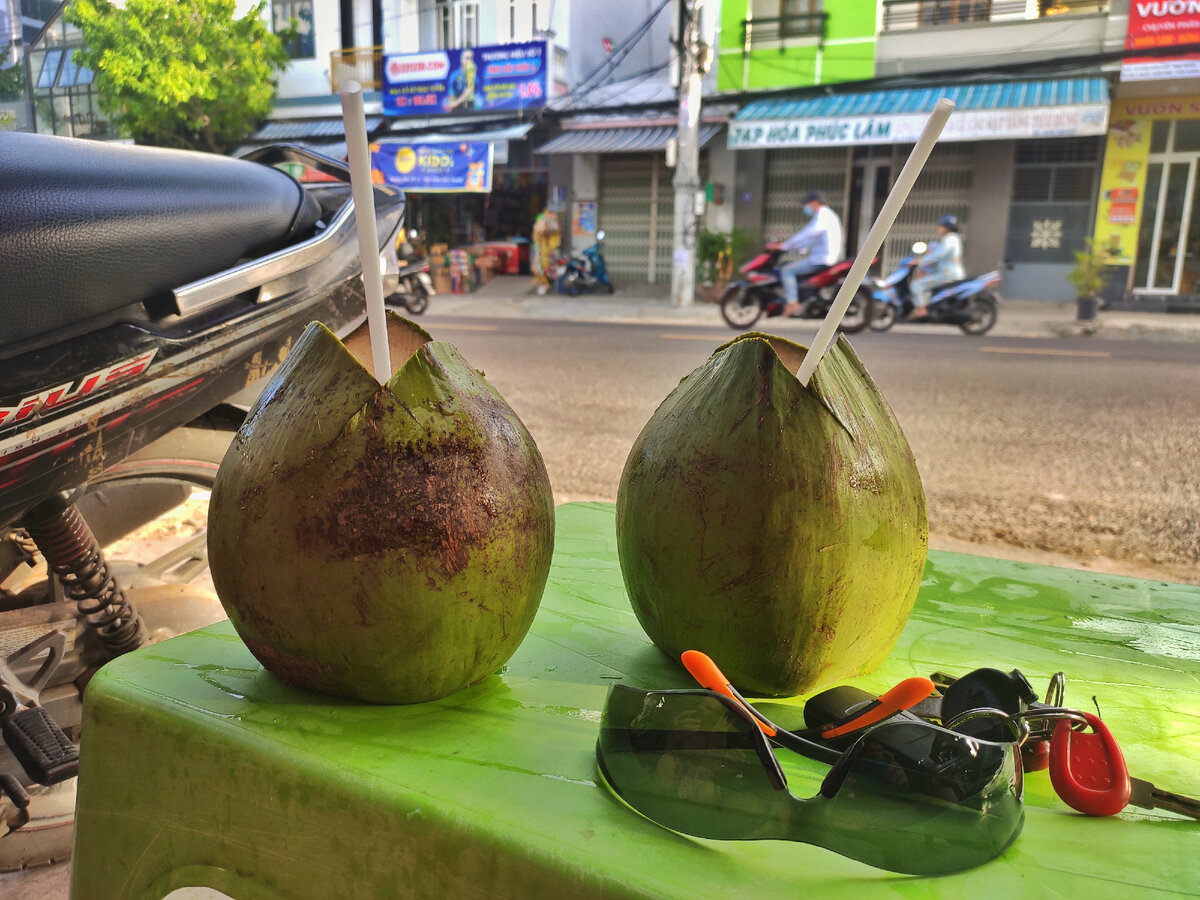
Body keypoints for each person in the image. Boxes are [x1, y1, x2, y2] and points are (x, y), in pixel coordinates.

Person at [774, 191, 843, 317]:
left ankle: (792, 302)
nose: (806, 207)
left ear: (815, 202)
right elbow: (810, 239)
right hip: (823, 257)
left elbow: (808, 234)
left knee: (787, 270)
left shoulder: (823, 215)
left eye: (807, 204)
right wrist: (793, 247)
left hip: (821, 260)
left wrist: (784, 245)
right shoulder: (826, 216)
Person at [909, 215, 965, 319]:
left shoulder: (949, 239)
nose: (938, 228)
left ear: (946, 227)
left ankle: (921, 311)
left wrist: (921, 261)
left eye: (940, 226)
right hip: (949, 273)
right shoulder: (954, 238)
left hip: (947, 274)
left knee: (917, 285)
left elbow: (938, 254)